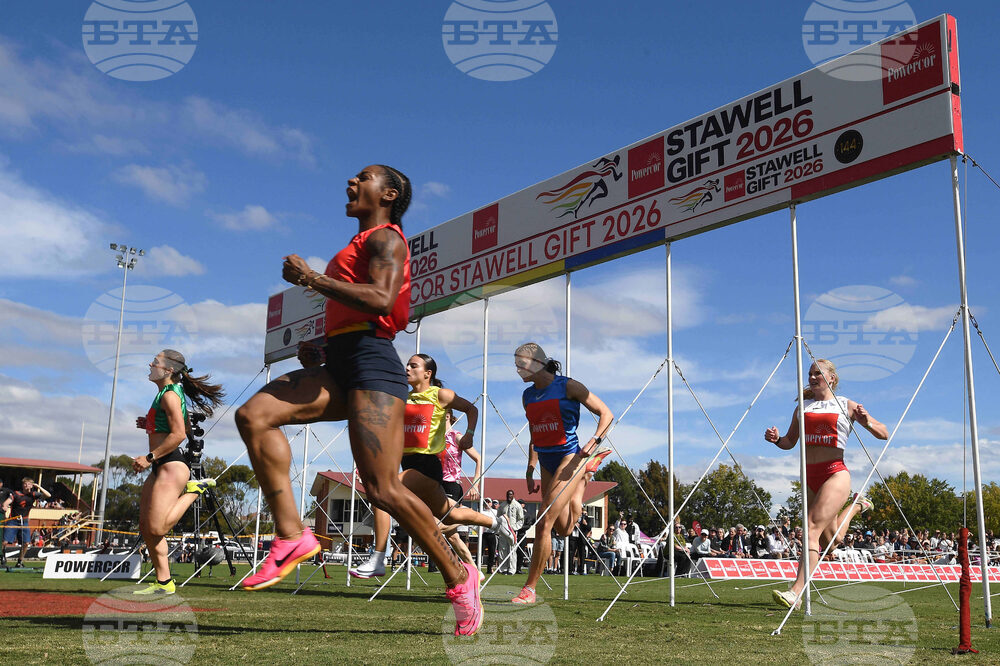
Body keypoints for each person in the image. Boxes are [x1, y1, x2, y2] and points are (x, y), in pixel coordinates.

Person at [234, 165, 483, 636]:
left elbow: (384, 300)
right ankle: (291, 535)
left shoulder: (388, 239)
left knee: (383, 487)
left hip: (373, 363)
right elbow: (351, 311)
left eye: (362, 177)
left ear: (388, 194)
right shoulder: (354, 245)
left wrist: (311, 279)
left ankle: (458, 577)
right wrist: (322, 350)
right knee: (254, 416)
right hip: (343, 360)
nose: (350, 182)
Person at [349, 354, 514, 579]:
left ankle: (378, 557)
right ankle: (496, 522)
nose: (407, 368)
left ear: (428, 374)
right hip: (407, 463)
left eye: (413, 365)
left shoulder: (441, 395)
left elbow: (471, 410)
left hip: (427, 465)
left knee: (380, 492)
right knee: (451, 516)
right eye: (407, 364)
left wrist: (470, 435)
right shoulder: (402, 400)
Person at [765, 359, 887, 609]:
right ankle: (857, 506)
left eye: (817, 373)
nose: (812, 377)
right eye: (809, 373)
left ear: (832, 378)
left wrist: (867, 420)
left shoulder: (846, 405)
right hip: (810, 477)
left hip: (835, 474)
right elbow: (790, 442)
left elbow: (884, 433)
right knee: (831, 540)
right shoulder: (803, 407)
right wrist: (777, 440)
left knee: (809, 529)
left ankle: (795, 593)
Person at [511, 342, 614, 604]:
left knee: (544, 520)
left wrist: (594, 441)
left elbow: (606, 413)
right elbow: (535, 433)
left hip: (571, 457)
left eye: (520, 364)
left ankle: (529, 589)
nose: (517, 370)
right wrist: (530, 467)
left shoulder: (568, 386)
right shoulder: (527, 396)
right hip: (546, 460)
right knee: (564, 529)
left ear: (536, 363)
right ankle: (579, 491)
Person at [132, 349, 225, 595]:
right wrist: (150, 424)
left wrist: (149, 457)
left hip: (170, 465)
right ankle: (164, 583)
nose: (150, 364)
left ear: (169, 370)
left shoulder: (170, 395)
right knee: (146, 527)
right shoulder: (166, 393)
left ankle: (195, 490)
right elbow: (179, 425)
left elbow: (179, 435)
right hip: (162, 466)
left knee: (158, 528)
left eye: (155, 362)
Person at [4, 478, 49, 566]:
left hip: (24, 521)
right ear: (22, 485)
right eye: (25, 484)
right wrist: (5, 506)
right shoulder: (16, 494)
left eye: (29, 484)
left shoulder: (33, 494)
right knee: (4, 542)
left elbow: (48, 495)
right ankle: (2, 557)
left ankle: (20, 561)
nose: (27, 485)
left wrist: (39, 486)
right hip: (13, 520)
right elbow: (7, 502)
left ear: (32, 486)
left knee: (26, 543)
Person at [496, 489, 524, 575]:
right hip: (504, 531)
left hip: (513, 531)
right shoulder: (502, 505)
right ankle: (503, 569)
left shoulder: (517, 505)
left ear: (513, 495)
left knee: (512, 550)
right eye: (508, 495)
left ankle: (512, 569)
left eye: (511, 495)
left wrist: (515, 528)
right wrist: (500, 528)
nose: (509, 496)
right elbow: (498, 517)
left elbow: (521, 519)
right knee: (502, 549)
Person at [570, 508, 592, 574]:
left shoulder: (586, 519)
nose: (584, 515)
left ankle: (581, 570)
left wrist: (585, 524)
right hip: (573, 537)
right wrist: (574, 524)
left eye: (585, 513)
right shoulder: (573, 517)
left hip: (581, 538)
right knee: (572, 553)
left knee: (582, 554)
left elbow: (589, 528)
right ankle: (570, 569)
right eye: (582, 513)